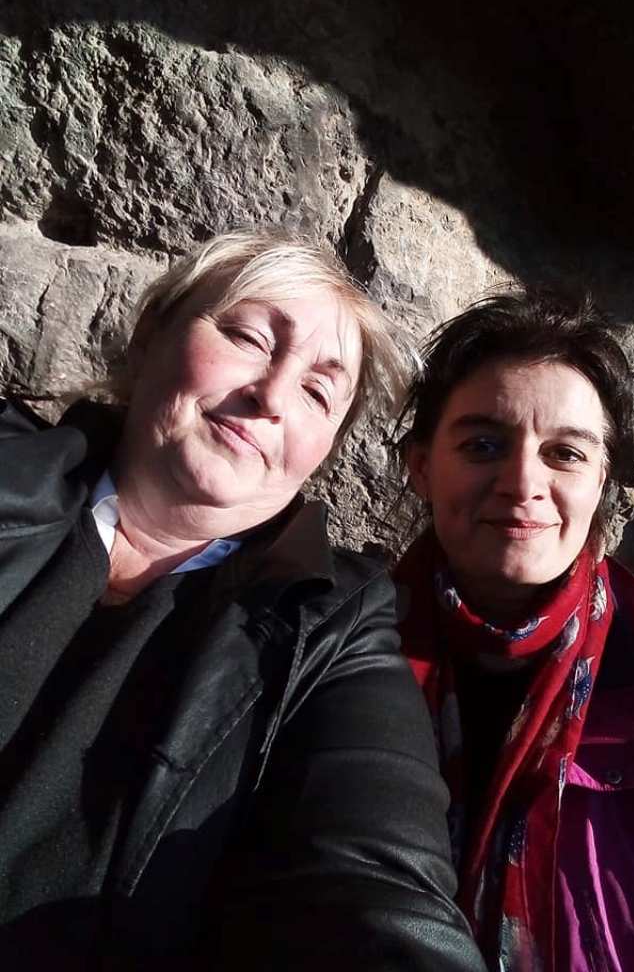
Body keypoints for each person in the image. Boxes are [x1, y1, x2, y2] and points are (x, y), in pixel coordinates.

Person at [0, 229, 487, 971]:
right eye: (248, 338)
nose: (271, 396)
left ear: (323, 449)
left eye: (317, 392)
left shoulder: (332, 631)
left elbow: (381, 885)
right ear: (151, 333)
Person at [393, 291, 634, 971]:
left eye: (564, 454)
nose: (521, 482)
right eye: (482, 445)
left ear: (602, 479)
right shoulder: (342, 646)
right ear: (421, 465)